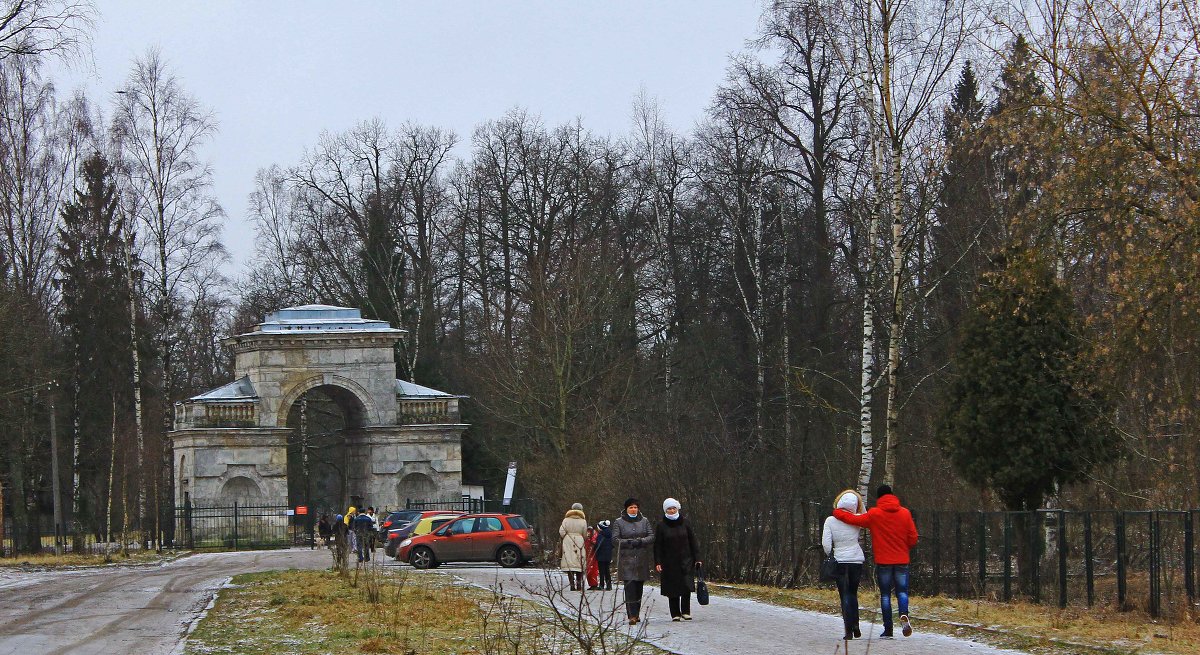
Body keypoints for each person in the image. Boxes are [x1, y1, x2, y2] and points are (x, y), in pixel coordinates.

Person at [834, 484, 919, 639]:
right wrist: (904, 546)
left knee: (885, 594)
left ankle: (888, 629)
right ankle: (904, 614)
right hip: (902, 559)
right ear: (893, 495)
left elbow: (854, 519)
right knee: (902, 591)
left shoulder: (875, 514)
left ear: (879, 498)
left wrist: (838, 513)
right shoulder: (905, 513)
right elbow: (913, 538)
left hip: (883, 560)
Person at [823, 489, 866, 640]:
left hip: (840, 559)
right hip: (856, 560)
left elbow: (826, 545)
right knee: (853, 593)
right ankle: (856, 625)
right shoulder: (858, 520)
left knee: (844, 595)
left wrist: (831, 554)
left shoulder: (830, 521)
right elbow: (866, 515)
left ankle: (848, 630)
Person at [653, 497, 701, 621]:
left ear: (677, 508)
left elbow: (693, 541)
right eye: (669, 509)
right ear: (665, 510)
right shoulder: (661, 525)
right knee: (672, 587)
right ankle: (675, 613)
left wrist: (697, 558)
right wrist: (657, 561)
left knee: (686, 585)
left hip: (686, 559)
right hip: (669, 561)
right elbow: (657, 545)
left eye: (674, 508)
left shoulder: (686, 522)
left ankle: (686, 611)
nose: (672, 510)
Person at [612, 497, 654, 625]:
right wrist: (628, 542)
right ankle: (632, 615)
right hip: (626, 559)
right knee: (629, 587)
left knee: (639, 587)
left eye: (635, 507)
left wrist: (641, 541)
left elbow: (651, 536)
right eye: (631, 507)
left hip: (641, 558)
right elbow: (615, 539)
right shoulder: (619, 522)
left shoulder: (644, 521)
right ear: (626, 509)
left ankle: (637, 612)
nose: (633, 509)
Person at [559, 503, 588, 591]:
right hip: (579, 540)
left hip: (568, 540)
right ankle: (579, 585)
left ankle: (572, 585)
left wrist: (566, 537)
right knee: (579, 563)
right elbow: (585, 533)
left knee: (569, 562)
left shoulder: (566, 520)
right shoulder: (583, 521)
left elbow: (561, 531)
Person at [594, 519, 614, 591]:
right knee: (607, 570)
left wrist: (594, 550)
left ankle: (601, 585)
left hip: (601, 555)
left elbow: (598, 545)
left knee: (601, 571)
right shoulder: (611, 534)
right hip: (608, 555)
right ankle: (609, 586)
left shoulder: (601, 535)